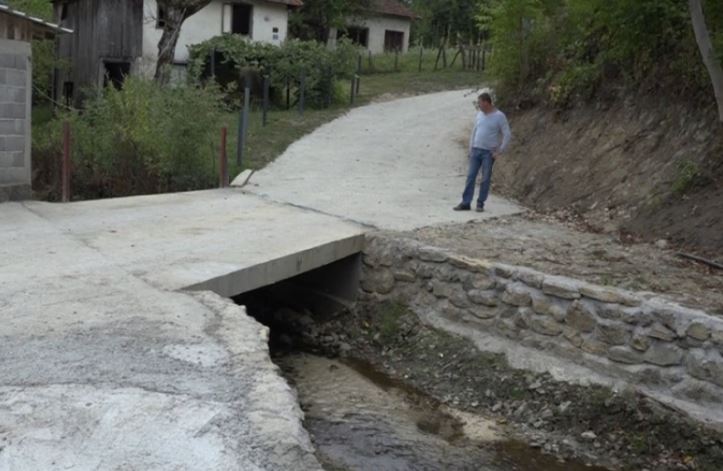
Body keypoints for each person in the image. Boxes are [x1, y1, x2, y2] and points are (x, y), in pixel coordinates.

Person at [454, 92, 511, 212]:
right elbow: (474, 131)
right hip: (476, 150)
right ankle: (466, 202)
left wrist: (500, 151)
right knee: (470, 177)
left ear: (486, 102)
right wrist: (471, 147)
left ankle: (480, 203)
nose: (478, 106)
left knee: (485, 178)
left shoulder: (499, 116)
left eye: (480, 103)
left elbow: (507, 134)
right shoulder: (479, 114)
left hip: (488, 153)